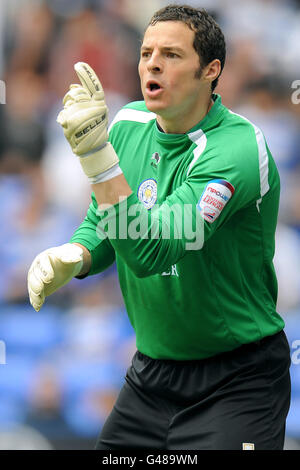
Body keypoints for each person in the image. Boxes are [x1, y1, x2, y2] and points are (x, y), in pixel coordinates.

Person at [27, 4, 291, 450]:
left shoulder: (239, 148)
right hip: (152, 373)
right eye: (147, 51)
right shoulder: (129, 124)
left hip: (237, 381)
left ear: (211, 70)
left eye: (171, 54)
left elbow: (153, 250)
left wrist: (96, 158)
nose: (152, 62)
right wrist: (80, 253)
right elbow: (105, 219)